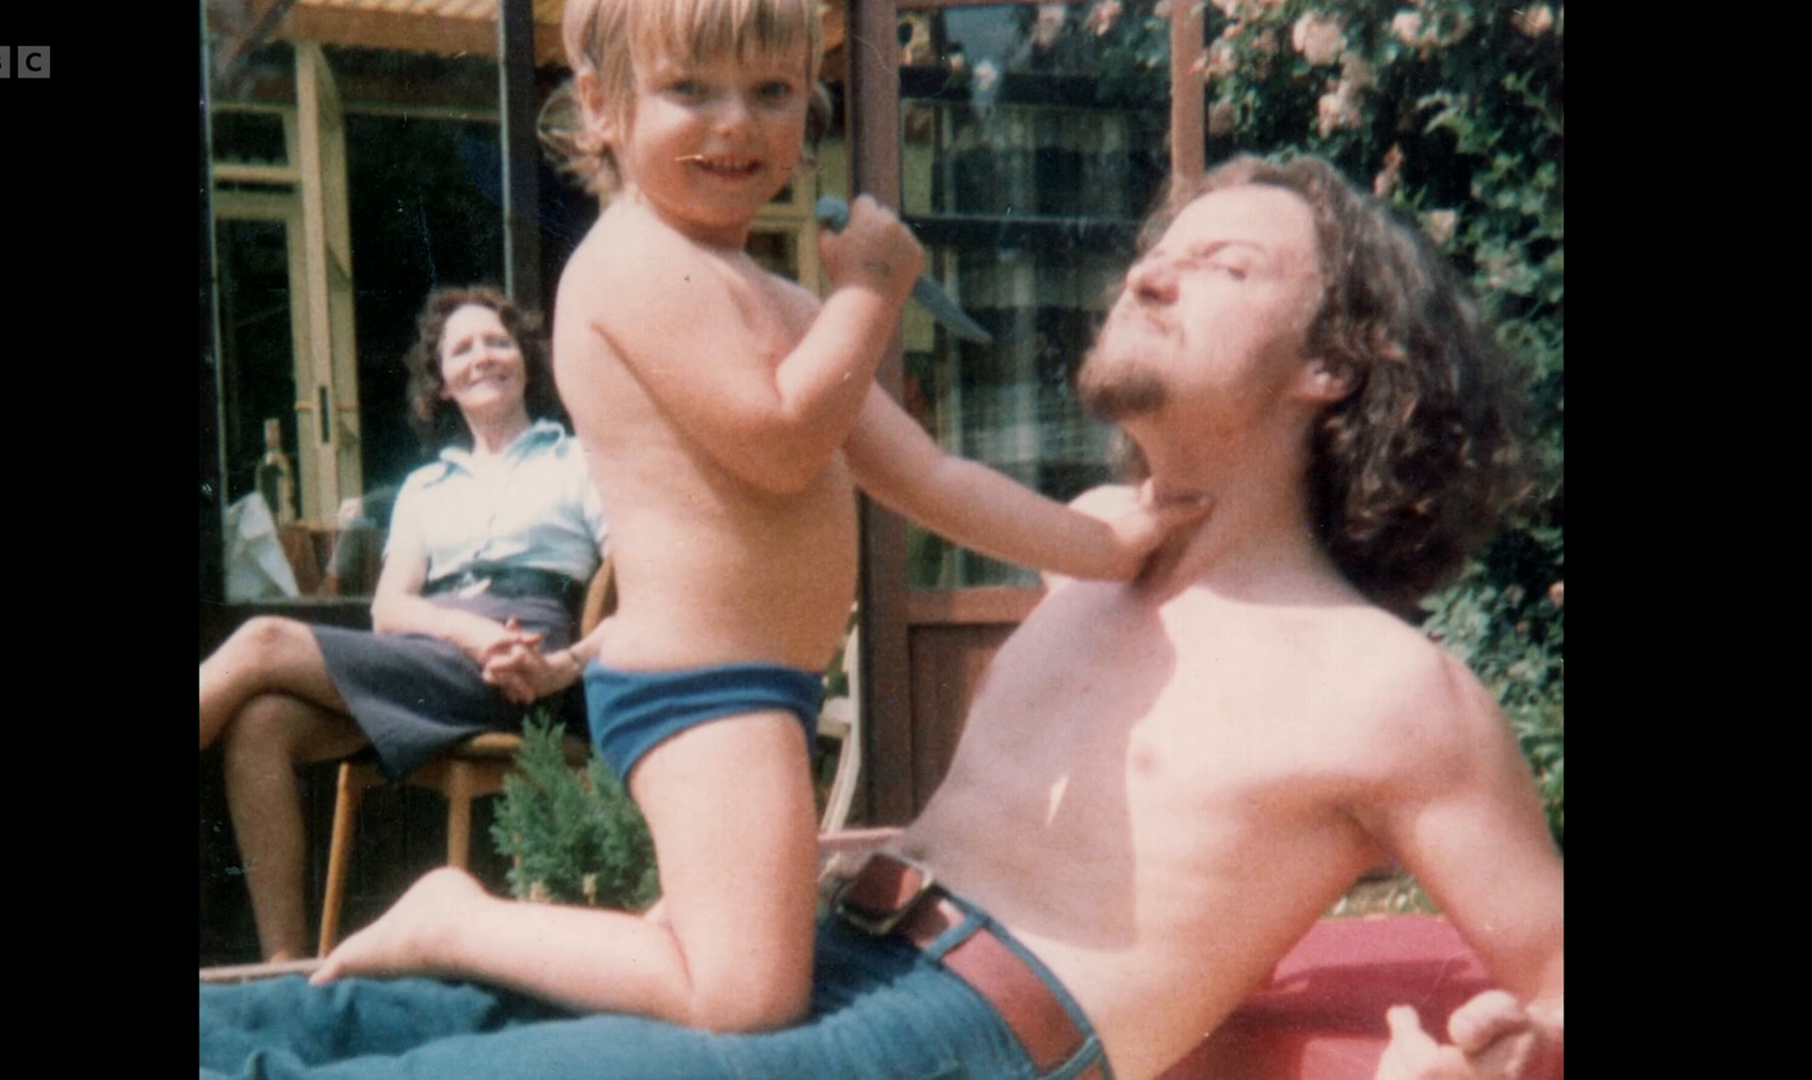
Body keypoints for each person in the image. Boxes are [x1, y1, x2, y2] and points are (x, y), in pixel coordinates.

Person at [202, 154, 1562, 1080]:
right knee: (296, 1029)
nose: (1151, 273)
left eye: (1225, 268)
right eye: (1160, 249)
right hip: (819, 956)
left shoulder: (1390, 693)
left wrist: (1501, 1055)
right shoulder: (1093, 543)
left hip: (946, 1037)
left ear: (1335, 365)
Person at [277, 0, 1189, 1035]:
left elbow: (927, 476)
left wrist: (1105, 544)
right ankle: (457, 919)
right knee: (749, 994)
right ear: (601, 105)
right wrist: (869, 295)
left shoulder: (777, 300)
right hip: (696, 684)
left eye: (772, 91)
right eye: (690, 90)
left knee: (728, 947)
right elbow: (781, 440)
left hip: (760, 685)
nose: (736, 124)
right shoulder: (631, 265)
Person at [199, 285, 608, 963]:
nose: (483, 357)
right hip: (437, 655)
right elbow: (391, 610)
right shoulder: (425, 487)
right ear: (441, 381)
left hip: (521, 662)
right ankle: (286, 968)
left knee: (265, 640)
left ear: (526, 360)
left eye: (498, 342)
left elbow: (641, 588)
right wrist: (468, 633)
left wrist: (561, 667)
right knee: (262, 722)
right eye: (463, 349)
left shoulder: (580, 461)